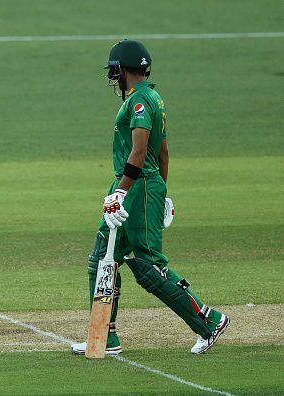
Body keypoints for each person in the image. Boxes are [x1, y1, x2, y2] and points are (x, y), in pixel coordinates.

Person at [72, 40, 230, 355]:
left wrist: (123, 191)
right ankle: (104, 336)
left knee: (147, 265)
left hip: (137, 187)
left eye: (114, 69)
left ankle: (209, 320)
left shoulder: (141, 101)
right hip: (137, 185)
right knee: (102, 259)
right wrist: (161, 192)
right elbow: (164, 151)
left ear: (121, 69)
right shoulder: (150, 97)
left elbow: (141, 151)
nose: (112, 75)